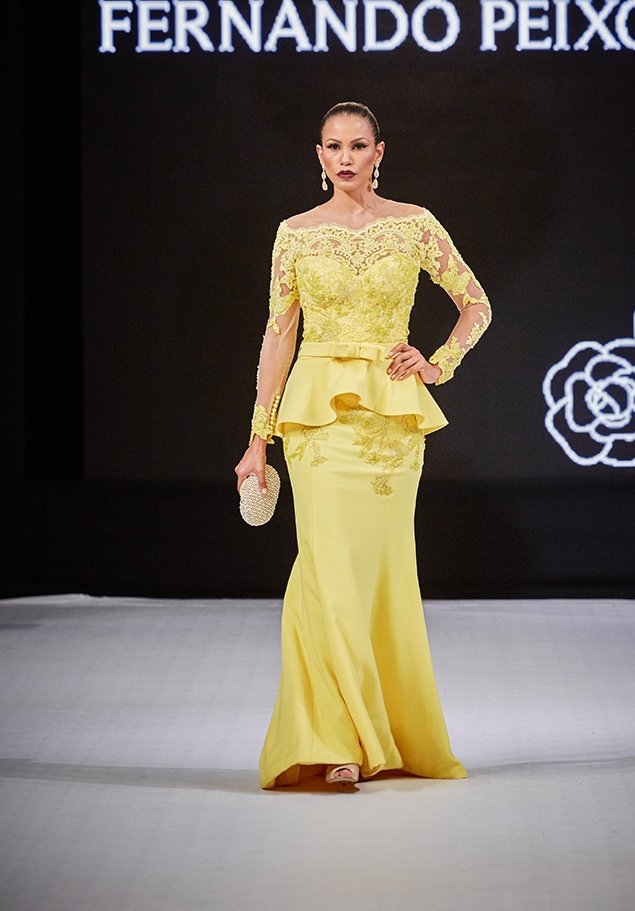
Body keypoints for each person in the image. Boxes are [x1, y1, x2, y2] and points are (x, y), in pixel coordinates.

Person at [235, 102, 491, 789]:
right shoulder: (294, 234)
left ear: (380, 151)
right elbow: (279, 335)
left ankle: (379, 734)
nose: (344, 157)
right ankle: (336, 740)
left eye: (356, 145)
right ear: (318, 156)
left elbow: (477, 303)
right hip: (316, 424)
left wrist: (437, 363)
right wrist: (258, 438)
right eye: (332, 146)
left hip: (390, 424)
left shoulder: (415, 224)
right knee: (324, 573)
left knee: (380, 576)